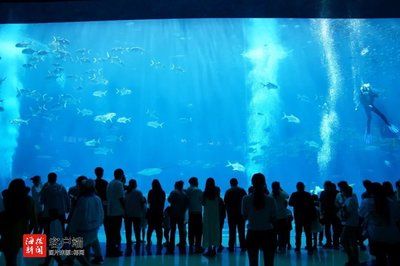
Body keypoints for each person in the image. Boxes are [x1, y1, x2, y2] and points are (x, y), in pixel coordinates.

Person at [65, 179, 104, 265]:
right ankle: (68, 261)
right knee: (80, 248)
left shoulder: (82, 200)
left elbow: (77, 217)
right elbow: (101, 214)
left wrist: (70, 230)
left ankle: (83, 264)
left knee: (76, 249)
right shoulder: (97, 198)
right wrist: (98, 225)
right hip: (93, 229)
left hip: (81, 231)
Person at [360, 182, 400, 266]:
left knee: (380, 260)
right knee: (394, 260)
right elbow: (397, 218)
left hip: (376, 236)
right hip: (393, 235)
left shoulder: (366, 202)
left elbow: (361, 215)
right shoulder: (392, 202)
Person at [242, 173, 277, 266]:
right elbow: (273, 218)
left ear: (252, 183)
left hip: (252, 233)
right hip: (268, 233)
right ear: (264, 183)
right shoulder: (270, 200)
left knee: (253, 263)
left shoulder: (246, 199)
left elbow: (244, 216)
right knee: (269, 263)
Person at [0, 179, 37, 266]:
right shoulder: (29, 200)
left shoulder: (7, 199)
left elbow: (4, 216)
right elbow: (34, 221)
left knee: (10, 260)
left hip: (8, 233)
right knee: (15, 258)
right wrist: (28, 233)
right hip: (22, 231)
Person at [289, 182, 315, 254]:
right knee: (308, 233)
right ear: (304, 187)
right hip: (307, 217)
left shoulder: (294, 194)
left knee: (298, 233)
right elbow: (312, 205)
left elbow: (290, 203)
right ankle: (309, 247)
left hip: (298, 217)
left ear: (297, 187)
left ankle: (297, 248)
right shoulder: (307, 194)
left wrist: (296, 203)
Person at [337, 183, 360, 266]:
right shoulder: (350, 199)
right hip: (352, 222)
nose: (341, 192)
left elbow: (347, 214)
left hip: (349, 223)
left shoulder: (349, 200)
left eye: (342, 191)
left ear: (345, 192)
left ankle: (352, 257)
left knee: (343, 240)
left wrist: (341, 208)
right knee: (353, 241)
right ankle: (355, 260)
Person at [106, 168, 125, 257]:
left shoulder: (110, 183)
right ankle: (115, 250)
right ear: (121, 175)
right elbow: (121, 198)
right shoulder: (119, 183)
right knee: (116, 232)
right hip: (117, 211)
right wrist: (125, 209)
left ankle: (110, 249)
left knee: (111, 232)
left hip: (110, 211)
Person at [224, 178, 247, 252]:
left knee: (232, 231)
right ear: (237, 183)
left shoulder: (228, 191)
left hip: (231, 214)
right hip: (241, 214)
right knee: (241, 231)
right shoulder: (242, 190)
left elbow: (225, 202)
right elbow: (246, 201)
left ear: (230, 183)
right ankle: (243, 246)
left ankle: (231, 246)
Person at [124, 179, 145, 255]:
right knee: (137, 229)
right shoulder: (138, 192)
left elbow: (124, 202)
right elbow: (142, 202)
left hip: (128, 214)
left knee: (128, 230)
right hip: (137, 214)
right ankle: (138, 242)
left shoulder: (126, 192)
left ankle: (128, 242)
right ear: (135, 184)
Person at [167, 180, 189, 254]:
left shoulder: (174, 192)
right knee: (181, 230)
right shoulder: (184, 194)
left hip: (173, 213)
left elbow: (169, 200)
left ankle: (171, 245)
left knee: (172, 230)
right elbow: (187, 204)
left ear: (176, 185)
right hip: (181, 214)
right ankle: (182, 244)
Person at [202, 177, 220, 257]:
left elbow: (202, 203)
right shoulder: (217, 191)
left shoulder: (204, 193)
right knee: (215, 230)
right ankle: (214, 249)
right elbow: (218, 201)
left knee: (207, 231)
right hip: (215, 214)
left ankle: (209, 249)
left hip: (207, 215)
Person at [320, 181, 341, 249]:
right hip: (334, 213)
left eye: (325, 186)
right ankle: (335, 243)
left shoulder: (323, 193)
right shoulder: (337, 192)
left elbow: (321, 203)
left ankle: (329, 242)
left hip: (328, 213)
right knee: (335, 228)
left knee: (328, 228)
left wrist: (321, 212)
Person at [270, 181, 290, 252]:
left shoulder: (270, 195)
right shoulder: (282, 194)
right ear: (279, 187)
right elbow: (288, 196)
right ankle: (282, 247)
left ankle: (274, 247)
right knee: (282, 233)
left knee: (274, 233)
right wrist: (281, 189)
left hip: (274, 217)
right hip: (283, 217)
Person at [185, 177, 203, 254]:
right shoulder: (199, 190)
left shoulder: (187, 190)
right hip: (198, 213)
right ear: (195, 182)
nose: (198, 182)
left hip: (191, 213)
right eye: (197, 181)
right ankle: (198, 246)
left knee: (191, 230)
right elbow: (202, 202)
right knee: (198, 231)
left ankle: (191, 245)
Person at [147, 179, 166, 251]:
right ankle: (159, 243)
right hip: (159, 213)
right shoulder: (162, 192)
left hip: (151, 212)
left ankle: (148, 242)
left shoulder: (151, 192)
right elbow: (163, 202)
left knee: (150, 228)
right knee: (159, 229)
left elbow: (148, 201)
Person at [216, 186, 226, 253]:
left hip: (214, 218)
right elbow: (223, 209)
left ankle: (215, 245)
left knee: (214, 231)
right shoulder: (220, 200)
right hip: (220, 218)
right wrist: (224, 216)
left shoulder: (213, 199)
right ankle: (219, 244)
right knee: (219, 231)